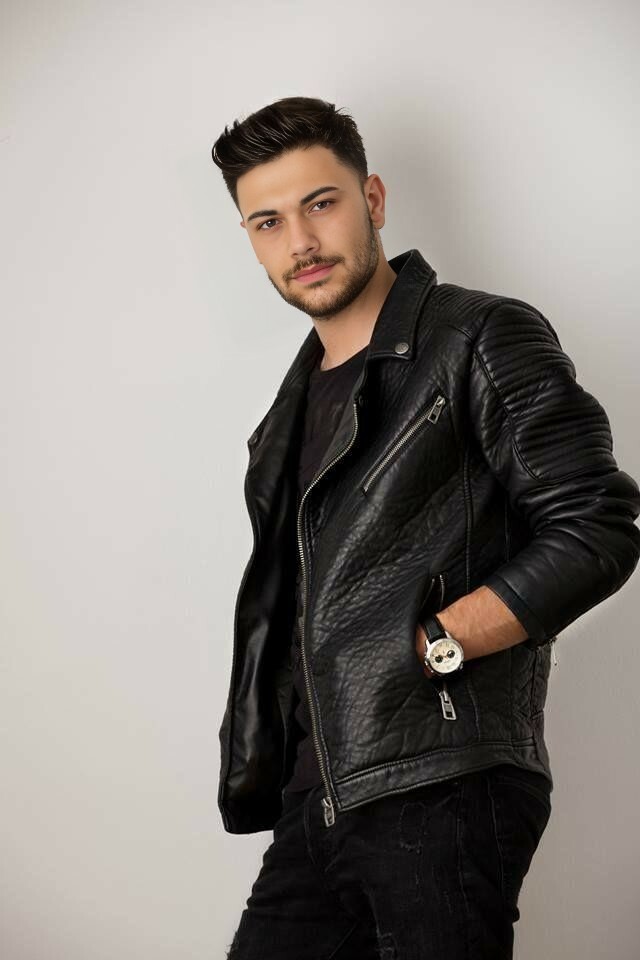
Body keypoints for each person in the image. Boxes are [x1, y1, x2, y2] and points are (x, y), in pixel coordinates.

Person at [211, 96, 640, 959]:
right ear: (250, 239)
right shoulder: (285, 417)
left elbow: (598, 524)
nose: (301, 242)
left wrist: (438, 643)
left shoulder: (477, 335)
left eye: (321, 204)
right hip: (317, 799)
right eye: (269, 221)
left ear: (372, 199)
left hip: (440, 784)